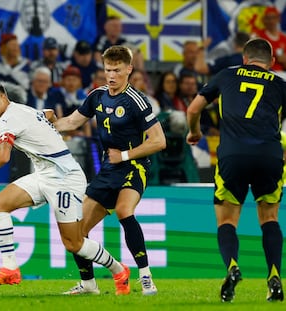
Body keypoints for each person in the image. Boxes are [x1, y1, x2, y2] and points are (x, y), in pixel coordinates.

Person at [0, 81, 131, 295]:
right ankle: (10, 268)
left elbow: (2, 156)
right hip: (45, 174)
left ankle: (119, 270)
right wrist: (47, 121)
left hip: (65, 178)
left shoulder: (8, 118)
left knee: (74, 243)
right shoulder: (23, 109)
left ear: (3, 98)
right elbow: (47, 114)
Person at [54, 45, 166, 295]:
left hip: (134, 166)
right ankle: (88, 284)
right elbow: (72, 121)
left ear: (129, 69)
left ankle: (146, 277)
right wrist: (45, 124)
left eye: (117, 70)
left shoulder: (137, 101)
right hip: (107, 169)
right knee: (76, 232)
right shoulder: (97, 96)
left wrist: (125, 155)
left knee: (125, 211)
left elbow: (159, 141)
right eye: (107, 70)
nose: (111, 75)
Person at [186, 38, 285, 302]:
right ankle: (274, 276)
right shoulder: (280, 84)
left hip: (232, 155)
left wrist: (195, 132)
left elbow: (193, 108)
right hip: (269, 155)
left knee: (227, 221)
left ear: (244, 59)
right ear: (271, 63)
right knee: (270, 219)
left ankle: (232, 267)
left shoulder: (226, 75)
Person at [252, 6, 286, 71]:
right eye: (268, 18)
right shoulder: (257, 36)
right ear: (263, 20)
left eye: (274, 18)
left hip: (281, 74)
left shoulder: (284, 38)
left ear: (278, 19)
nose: (271, 21)